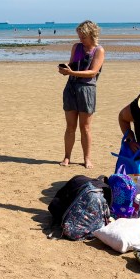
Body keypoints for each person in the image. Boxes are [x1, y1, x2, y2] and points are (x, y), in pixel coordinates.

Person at [58, 20, 105, 169]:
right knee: (70, 126)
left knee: (85, 127)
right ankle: (67, 157)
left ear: (92, 35)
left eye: (83, 37)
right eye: (79, 36)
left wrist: (71, 72)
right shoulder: (76, 47)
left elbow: (93, 72)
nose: (81, 40)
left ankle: (87, 158)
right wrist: (66, 69)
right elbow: (72, 64)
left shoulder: (98, 50)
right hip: (71, 87)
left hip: (87, 89)